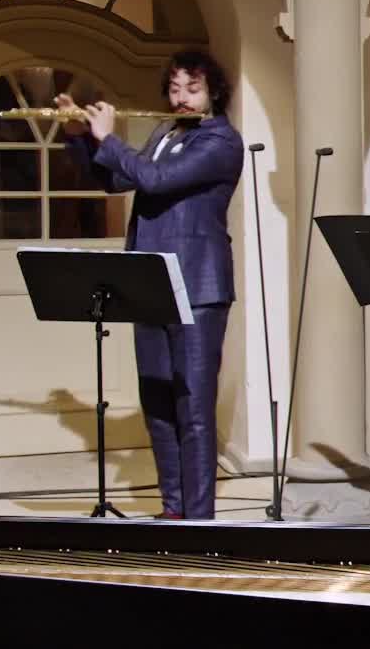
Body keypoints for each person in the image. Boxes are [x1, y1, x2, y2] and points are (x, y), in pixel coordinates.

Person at [58, 50, 243, 520]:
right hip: (150, 282)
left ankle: (199, 521)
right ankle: (173, 511)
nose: (181, 99)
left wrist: (110, 136)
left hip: (199, 288)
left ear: (213, 93)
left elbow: (158, 181)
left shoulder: (221, 142)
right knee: (157, 406)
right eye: (175, 89)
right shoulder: (165, 133)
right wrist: (81, 138)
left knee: (194, 411)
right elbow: (119, 179)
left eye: (192, 89)